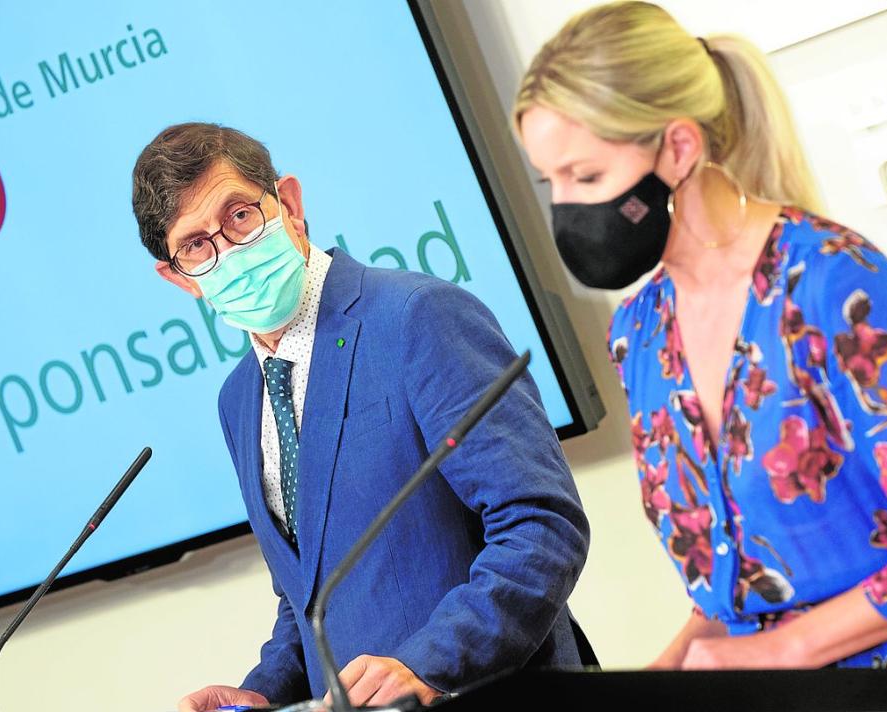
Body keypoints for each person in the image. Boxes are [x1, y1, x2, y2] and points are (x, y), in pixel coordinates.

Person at [513, 3, 887, 709]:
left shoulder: (834, 285)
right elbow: (741, 576)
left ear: (679, 149)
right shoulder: (640, 333)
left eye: (586, 177)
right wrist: (670, 665)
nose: (565, 209)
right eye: (550, 183)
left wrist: (779, 652)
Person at [130, 123, 592, 711]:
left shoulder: (416, 317)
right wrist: (261, 694)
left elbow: (541, 522)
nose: (228, 252)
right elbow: (310, 595)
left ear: (289, 206)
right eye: (197, 245)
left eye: (240, 215)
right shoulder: (239, 398)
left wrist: (429, 663)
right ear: (180, 278)